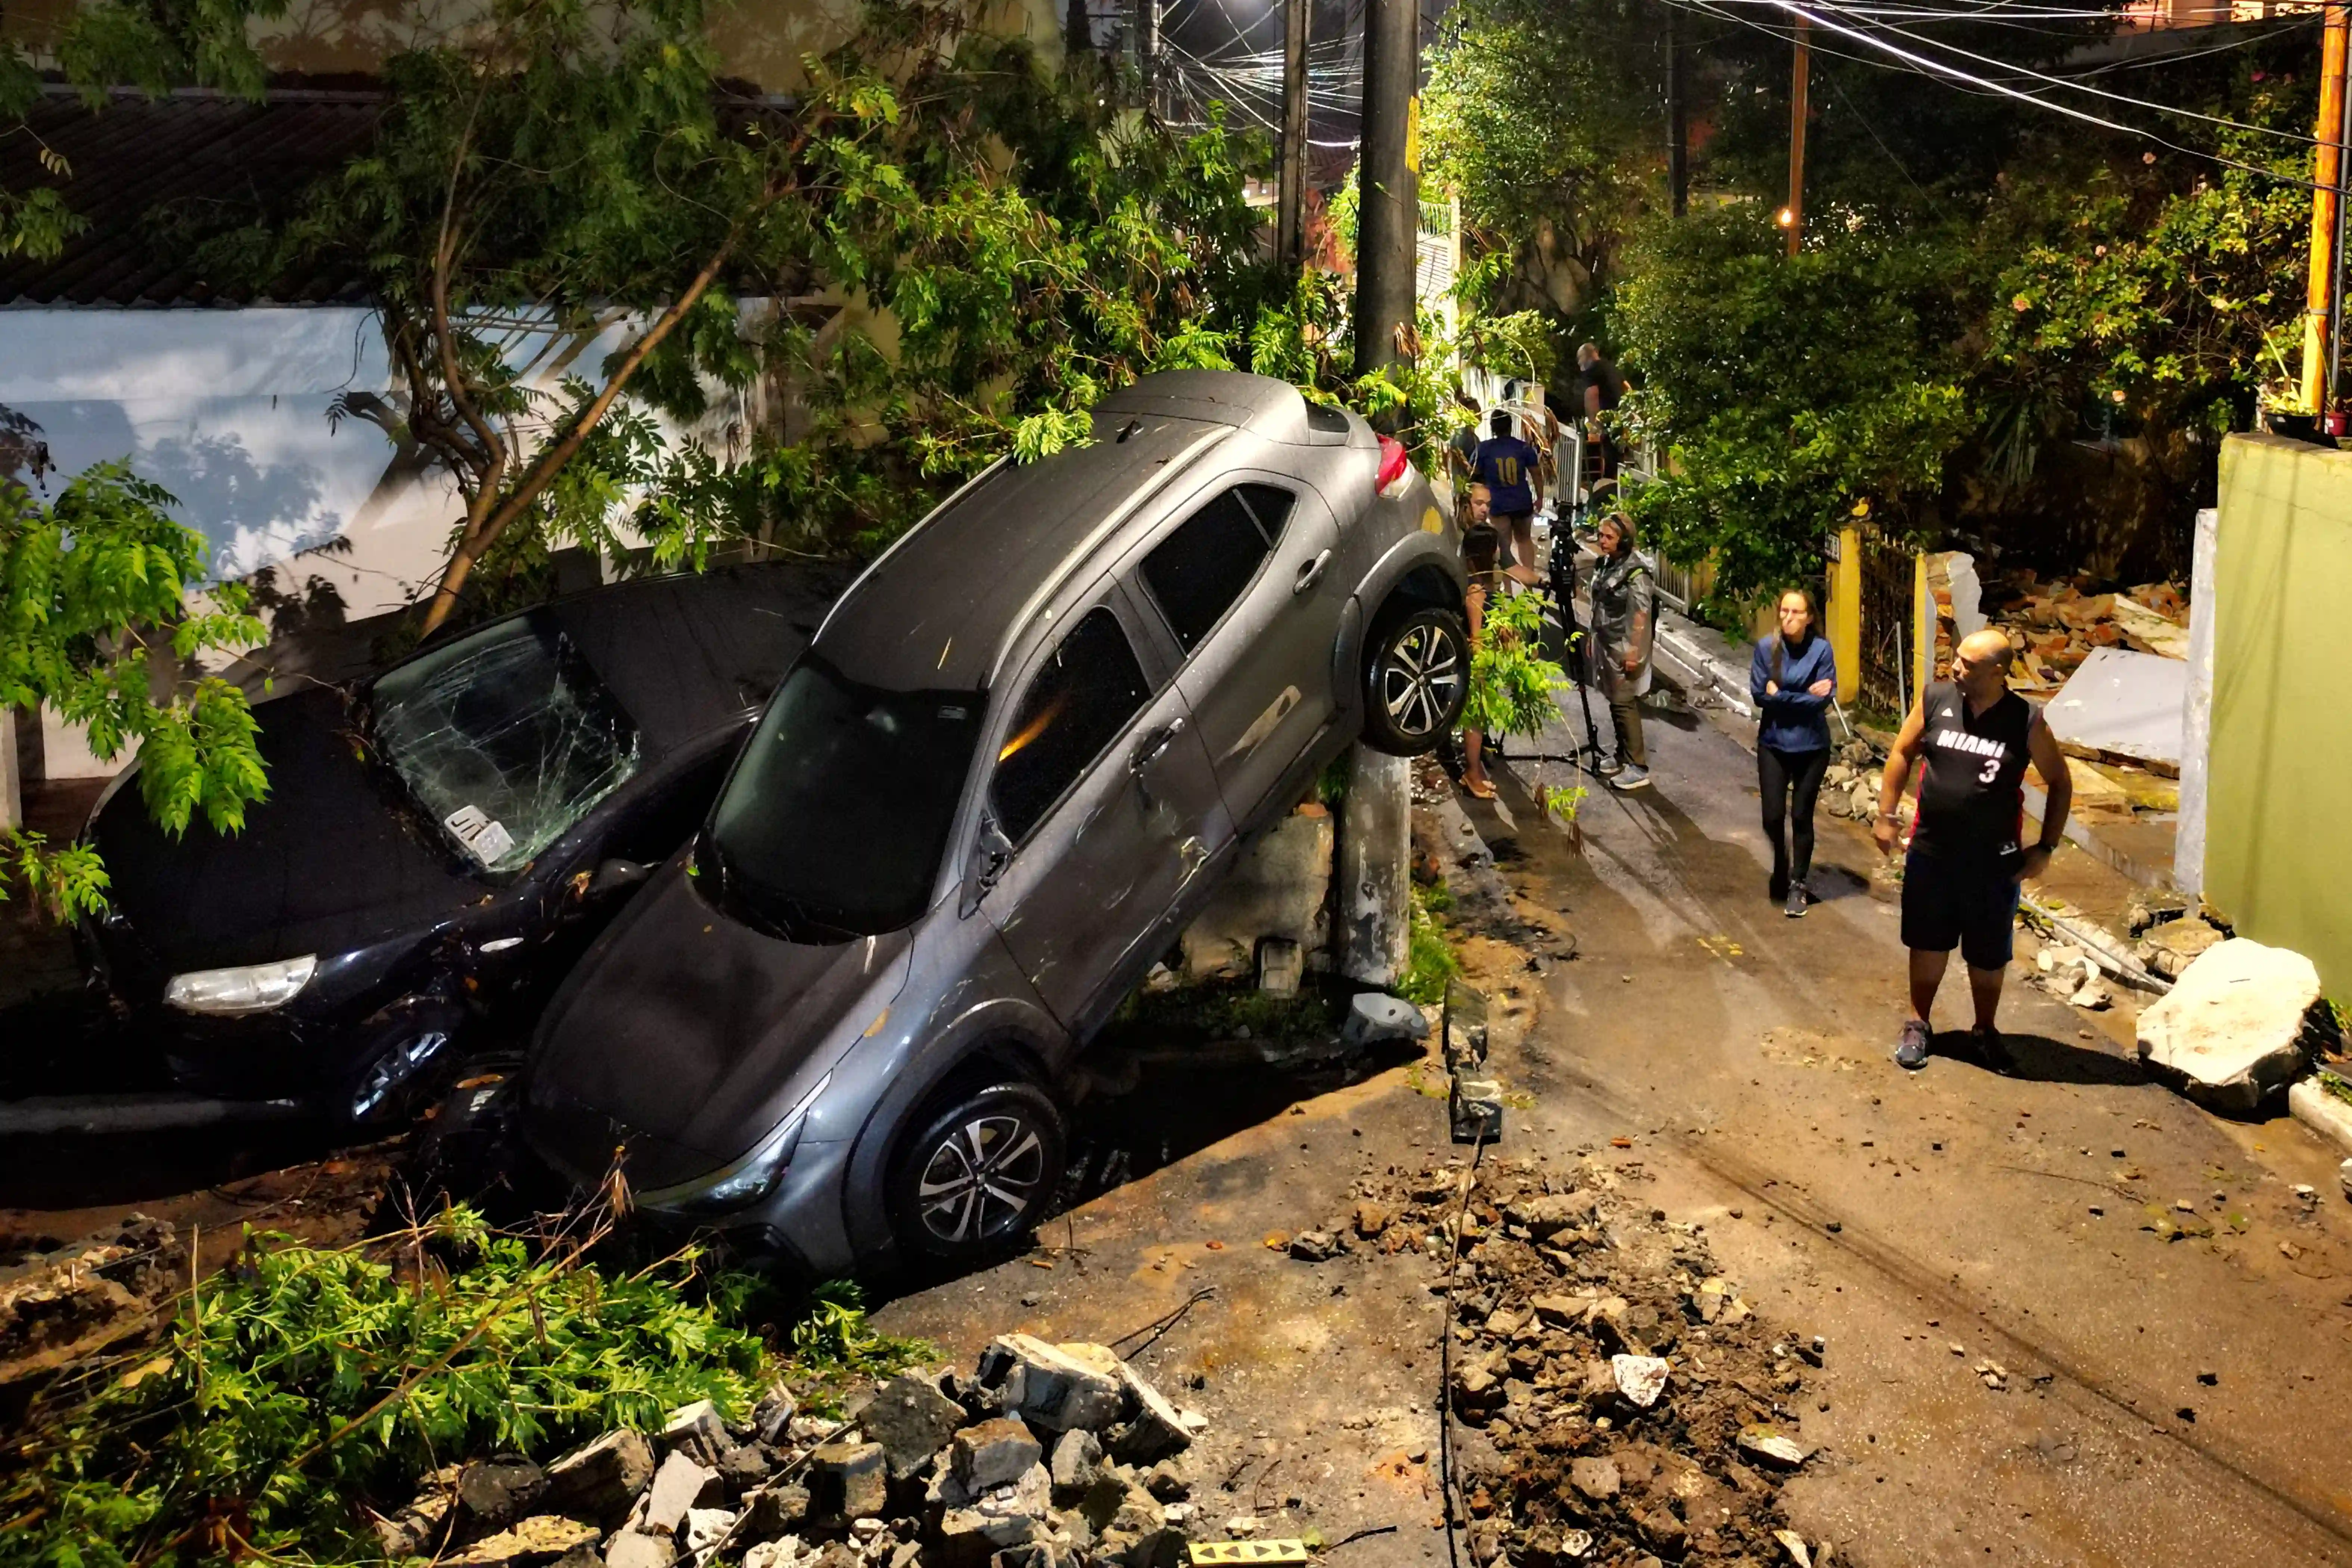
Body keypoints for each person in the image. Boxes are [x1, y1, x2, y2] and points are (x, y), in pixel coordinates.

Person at [1873, 627, 2073, 1072]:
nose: (1955, 668)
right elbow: (1903, 751)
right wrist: (1885, 814)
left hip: (1993, 862)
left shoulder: (2025, 719)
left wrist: (2046, 846)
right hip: (1931, 852)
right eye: (1956, 659)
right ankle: (1917, 1024)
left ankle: (1984, 1030)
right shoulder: (1935, 699)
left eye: (1967, 663)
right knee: (1926, 942)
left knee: (1988, 953)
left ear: (1997, 672)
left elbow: (2059, 781)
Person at [1750, 588, 1838, 917]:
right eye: (1784, 611)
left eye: (1796, 612)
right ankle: (1780, 860)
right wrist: (1800, 694)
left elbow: (1825, 699)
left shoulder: (1821, 650)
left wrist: (1782, 694)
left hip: (1812, 745)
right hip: (1773, 742)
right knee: (1772, 816)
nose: (1788, 618)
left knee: (1802, 815)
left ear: (1810, 617)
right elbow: (1759, 695)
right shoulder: (1766, 649)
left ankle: (1798, 884)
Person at [1586, 512, 1654, 791]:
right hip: (1606, 640)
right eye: (1601, 535)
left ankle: (1637, 766)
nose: (1603, 541)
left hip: (1625, 644)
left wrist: (1633, 651)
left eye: (1609, 537)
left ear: (1624, 540)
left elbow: (1640, 614)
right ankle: (1620, 755)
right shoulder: (1605, 564)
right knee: (1615, 699)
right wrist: (1593, 635)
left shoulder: (1636, 573)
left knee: (1624, 702)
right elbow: (1598, 603)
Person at [1459, 484, 1502, 799]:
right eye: (1479, 503)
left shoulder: (1478, 580)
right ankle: (1472, 774)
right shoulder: (1477, 588)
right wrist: (1480, 654)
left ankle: (1474, 771)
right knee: (1475, 714)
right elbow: (1477, 633)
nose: (1485, 509)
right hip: (1477, 654)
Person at [1471, 410, 1542, 587]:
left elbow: (1474, 473)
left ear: (1492, 427)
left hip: (1498, 504)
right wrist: (1540, 497)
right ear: (1511, 427)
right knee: (1525, 540)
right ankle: (1530, 584)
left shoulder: (1485, 449)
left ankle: (1508, 590)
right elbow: (1536, 474)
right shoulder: (1524, 447)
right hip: (1522, 501)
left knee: (1503, 548)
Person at [1578, 343, 1625, 480]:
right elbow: (1627, 387)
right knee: (1619, 454)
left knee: (1608, 453)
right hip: (1620, 416)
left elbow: (1592, 394)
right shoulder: (1613, 367)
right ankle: (1618, 484)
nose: (1580, 363)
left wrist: (1594, 425)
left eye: (1580, 358)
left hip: (1606, 418)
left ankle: (1609, 486)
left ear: (1587, 357)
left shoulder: (1592, 370)